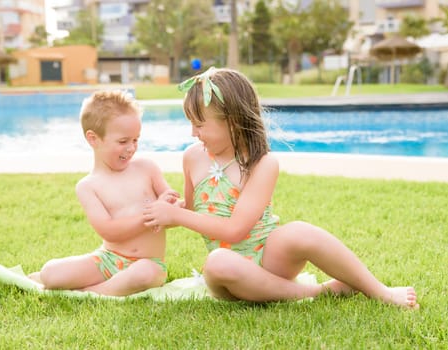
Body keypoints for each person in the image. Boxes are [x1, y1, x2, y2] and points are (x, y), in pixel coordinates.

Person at [143, 67, 419, 308]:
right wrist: (171, 211)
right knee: (217, 262)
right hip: (230, 272)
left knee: (299, 231)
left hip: (269, 259)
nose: (193, 133)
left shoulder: (262, 163)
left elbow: (236, 230)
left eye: (199, 124)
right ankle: (316, 292)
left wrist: (178, 216)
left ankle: (378, 291)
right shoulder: (192, 157)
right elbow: (193, 211)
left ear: (233, 121)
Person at [29, 90, 180, 296]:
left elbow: (173, 214)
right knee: (50, 273)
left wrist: (170, 207)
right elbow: (108, 231)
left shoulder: (147, 168)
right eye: (123, 141)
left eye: (136, 140)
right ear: (93, 139)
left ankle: (95, 292)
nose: (132, 148)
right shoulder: (88, 186)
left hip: (148, 262)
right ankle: (107, 285)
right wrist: (152, 214)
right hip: (108, 260)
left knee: (146, 274)